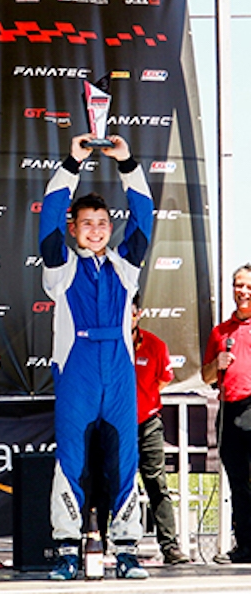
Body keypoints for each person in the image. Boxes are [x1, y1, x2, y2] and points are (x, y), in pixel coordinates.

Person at [39, 133, 153, 580]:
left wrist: (127, 163)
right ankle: (67, 550)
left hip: (119, 374)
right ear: (74, 229)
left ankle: (126, 551)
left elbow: (143, 215)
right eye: (86, 223)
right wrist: (72, 162)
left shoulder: (126, 267)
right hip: (78, 371)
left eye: (103, 222)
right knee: (70, 460)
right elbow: (50, 216)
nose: (96, 229)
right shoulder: (61, 269)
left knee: (125, 460)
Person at [131, 296, 190, 565]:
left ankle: (170, 546)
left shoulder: (155, 345)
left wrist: (145, 401)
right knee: (111, 484)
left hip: (148, 423)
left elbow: (164, 379)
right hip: (115, 425)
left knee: (156, 482)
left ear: (139, 313)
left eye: (132, 312)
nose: (128, 317)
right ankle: (105, 545)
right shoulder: (110, 344)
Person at [202, 262, 251, 564]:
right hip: (229, 409)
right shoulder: (221, 331)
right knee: (237, 480)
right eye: (238, 285)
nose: (243, 291)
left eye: (248, 286)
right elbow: (206, 376)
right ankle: (245, 545)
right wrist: (216, 363)